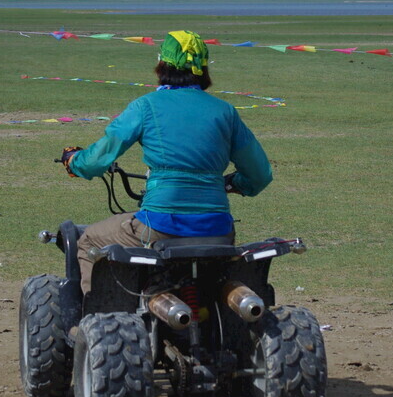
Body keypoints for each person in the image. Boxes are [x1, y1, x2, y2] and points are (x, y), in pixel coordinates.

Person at [61, 30, 273, 295]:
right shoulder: (225, 111)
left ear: (162, 64)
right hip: (218, 228)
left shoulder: (145, 106)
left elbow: (96, 161)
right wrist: (231, 184)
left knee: (88, 239)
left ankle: (94, 319)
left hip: (160, 226)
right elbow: (260, 175)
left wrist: (73, 160)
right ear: (203, 70)